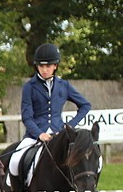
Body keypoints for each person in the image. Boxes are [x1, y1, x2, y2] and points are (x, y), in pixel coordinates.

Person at [7, 43, 92, 181]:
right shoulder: (29, 87)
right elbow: (27, 117)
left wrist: (68, 127)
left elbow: (85, 105)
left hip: (59, 134)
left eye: (48, 66)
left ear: (55, 66)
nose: (44, 70)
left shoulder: (64, 85)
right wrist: (39, 134)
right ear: (37, 66)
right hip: (34, 135)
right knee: (15, 161)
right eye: (41, 66)